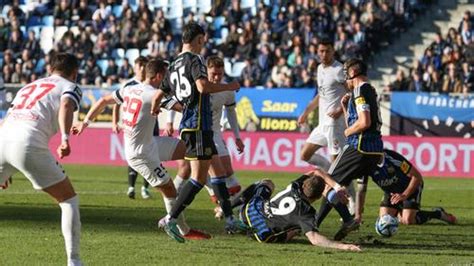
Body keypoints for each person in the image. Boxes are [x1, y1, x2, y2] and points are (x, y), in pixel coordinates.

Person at [73, 59, 210, 242]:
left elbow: (104, 100)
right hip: (140, 154)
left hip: (150, 143)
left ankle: (211, 190)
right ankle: (183, 229)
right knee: (169, 189)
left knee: (193, 150)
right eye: (167, 76)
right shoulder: (153, 94)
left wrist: (86, 122)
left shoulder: (130, 89)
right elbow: (182, 109)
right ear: (160, 76)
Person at [150, 22, 241, 241]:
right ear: (199, 39)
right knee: (199, 179)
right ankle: (170, 219)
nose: (204, 44)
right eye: (203, 40)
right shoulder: (195, 59)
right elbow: (203, 87)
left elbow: (158, 96)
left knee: (215, 173)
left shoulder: (173, 64)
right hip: (199, 125)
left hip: (191, 127)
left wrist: (154, 111)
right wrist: (229, 86)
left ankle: (229, 219)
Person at [0, 53, 83, 266]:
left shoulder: (28, 86)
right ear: (74, 72)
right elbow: (66, 105)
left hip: (4, 138)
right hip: (27, 142)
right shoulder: (70, 86)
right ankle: (74, 261)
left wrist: (5, 165)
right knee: (68, 200)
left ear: (50, 68)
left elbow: (8, 118)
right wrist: (65, 138)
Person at [316, 58, 384, 241]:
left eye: (346, 72)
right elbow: (358, 120)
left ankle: (317, 225)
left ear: (352, 72)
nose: (344, 77)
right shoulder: (369, 90)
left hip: (359, 146)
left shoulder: (360, 90)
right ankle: (353, 218)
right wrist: (346, 108)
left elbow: (364, 122)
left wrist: (347, 131)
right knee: (346, 186)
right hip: (374, 150)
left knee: (329, 182)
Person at [169, 56, 245, 219]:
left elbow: (231, 112)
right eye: (213, 74)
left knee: (224, 171)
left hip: (214, 133)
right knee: (187, 170)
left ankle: (226, 212)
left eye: (220, 74)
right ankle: (172, 206)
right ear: (206, 71)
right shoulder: (198, 84)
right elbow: (174, 99)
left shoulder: (226, 90)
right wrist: (169, 122)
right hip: (195, 130)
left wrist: (237, 137)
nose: (217, 77)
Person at [231, 170, 360, 251]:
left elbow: (315, 171)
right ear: (318, 197)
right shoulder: (306, 213)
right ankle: (345, 218)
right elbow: (314, 239)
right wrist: (342, 246)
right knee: (296, 228)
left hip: (249, 210)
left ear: (304, 184)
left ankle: (226, 208)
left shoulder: (295, 186)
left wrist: (337, 187)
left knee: (267, 182)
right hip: (262, 233)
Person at [298, 39, 355, 214]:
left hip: (335, 123)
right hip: (322, 122)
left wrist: (340, 109)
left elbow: (353, 90)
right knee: (305, 154)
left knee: (338, 165)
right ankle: (328, 173)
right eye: (321, 51)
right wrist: (306, 112)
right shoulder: (319, 69)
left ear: (333, 51)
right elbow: (321, 96)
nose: (324, 54)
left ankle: (352, 199)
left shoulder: (339, 70)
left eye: (327, 51)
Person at [362, 149, 456, 225]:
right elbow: (360, 189)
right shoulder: (365, 166)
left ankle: (437, 214)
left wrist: (404, 195)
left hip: (410, 186)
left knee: (408, 220)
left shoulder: (392, 158)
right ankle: (400, 211)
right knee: (384, 220)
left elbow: (417, 177)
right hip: (392, 192)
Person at [111, 56, 153, 200]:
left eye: (144, 65)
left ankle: (145, 188)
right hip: (134, 126)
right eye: (139, 65)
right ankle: (131, 186)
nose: (141, 68)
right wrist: (114, 121)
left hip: (151, 125)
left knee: (151, 156)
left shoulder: (152, 85)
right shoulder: (128, 85)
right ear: (135, 67)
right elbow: (116, 102)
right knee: (134, 155)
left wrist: (168, 123)